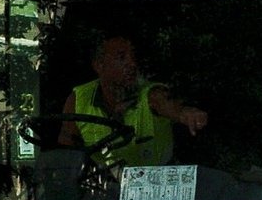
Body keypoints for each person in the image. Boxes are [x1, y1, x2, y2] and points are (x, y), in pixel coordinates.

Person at [57, 35, 208, 167]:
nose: (132, 64)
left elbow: (169, 105)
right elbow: (66, 153)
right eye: (122, 57)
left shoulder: (151, 95)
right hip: (105, 192)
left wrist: (186, 113)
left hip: (157, 188)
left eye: (133, 57)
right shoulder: (78, 99)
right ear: (99, 65)